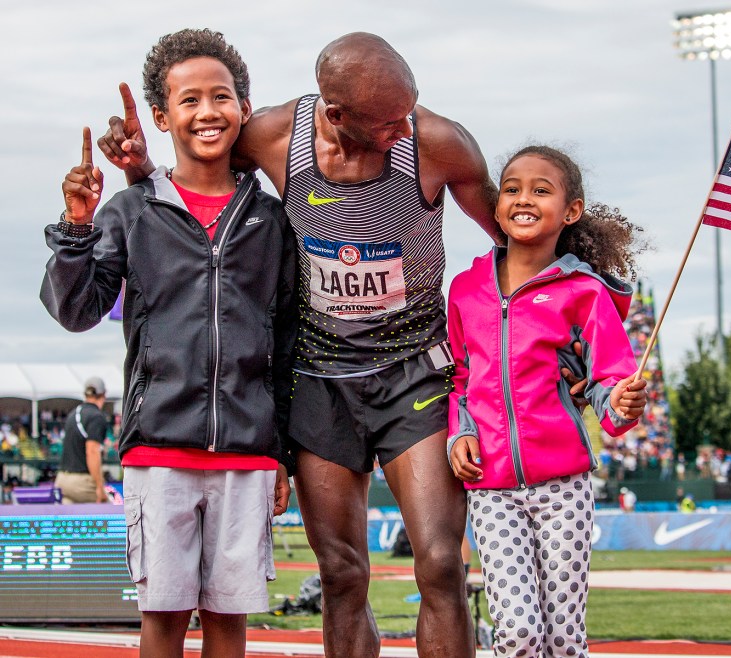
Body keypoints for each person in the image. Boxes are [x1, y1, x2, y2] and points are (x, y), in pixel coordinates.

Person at [96, 31, 597, 658]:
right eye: (388, 123)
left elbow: (522, 236)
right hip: (322, 378)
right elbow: (199, 177)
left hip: (414, 373)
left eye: (408, 112)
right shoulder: (275, 138)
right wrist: (142, 167)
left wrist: (569, 336)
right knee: (342, 574)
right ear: (335, 115)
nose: (403, 130)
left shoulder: (437, 144)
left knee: (440, 562)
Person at [41, 29, 297, 658]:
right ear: (161, 116)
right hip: (159, 453)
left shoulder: (272, 220)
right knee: (162, 619)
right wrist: (76, 227)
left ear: (243, 108)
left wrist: (283, 450)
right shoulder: (130, 212)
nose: (207, 111)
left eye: (222, 97)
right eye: (188, 101)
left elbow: (289, 342)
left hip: (247, 454)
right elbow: (76, 309)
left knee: (227, 623)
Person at [446, 145, 648, 657]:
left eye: (542, 189)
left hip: (564, 486)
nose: (523, 198)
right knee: (516, 631)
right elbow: (461, 377)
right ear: (495, 207)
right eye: (511, 188)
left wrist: (621, 404)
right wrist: (461, 431)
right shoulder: (466, 291)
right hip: (491, 489)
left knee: (563, 637)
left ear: (571, 210)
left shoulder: (585, 292)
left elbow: (607, 382)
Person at [55, 377, 110, 504]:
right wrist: (100, 487)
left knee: (71, 521)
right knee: (111, 512)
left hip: (62, 480)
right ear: (103, 395)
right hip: (81, 483)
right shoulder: (96, 416)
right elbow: (92, 452)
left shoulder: (73, 413)